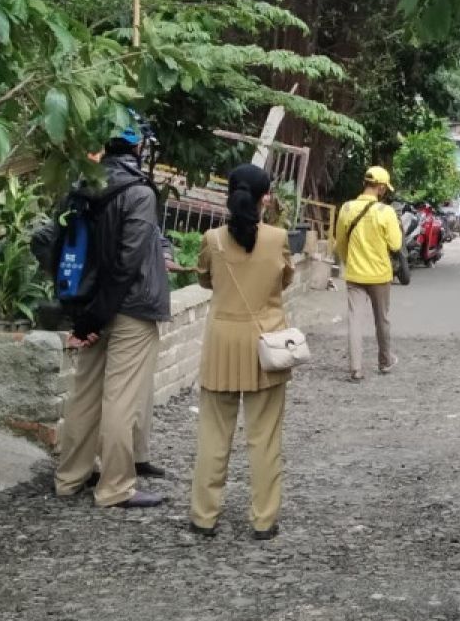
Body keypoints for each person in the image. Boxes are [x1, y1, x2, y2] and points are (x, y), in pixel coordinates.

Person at [54, 123, 171, 508]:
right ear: (138, 148)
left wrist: (85, 314)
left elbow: (52, 242)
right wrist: (103, 310)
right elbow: (128, 260)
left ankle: (70, 478)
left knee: (85, 393)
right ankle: (116, 487)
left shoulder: (82, 185)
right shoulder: (137, 193)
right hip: (129, 308)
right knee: (121, 397)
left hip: (88, 305)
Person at [189, 164, 293, 540]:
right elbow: (284, 280)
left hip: (221, 346)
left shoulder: (212, 239)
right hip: (266, 346)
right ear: (266, 197)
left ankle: (204, 516)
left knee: (213, 435)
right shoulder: (279, 237)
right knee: (264, 437)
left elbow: (204, 279)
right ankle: (263, 520)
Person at [334, 166, 404, 382]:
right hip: (379, 275)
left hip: (355, 274)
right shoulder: (385, 212)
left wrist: (349, 262)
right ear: (381, 187)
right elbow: (396, 244)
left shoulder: (346, 208)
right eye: (385, 188)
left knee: (355, 320)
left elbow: (340, 244)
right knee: (381, 319)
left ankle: (355, 369)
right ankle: (385, 361)